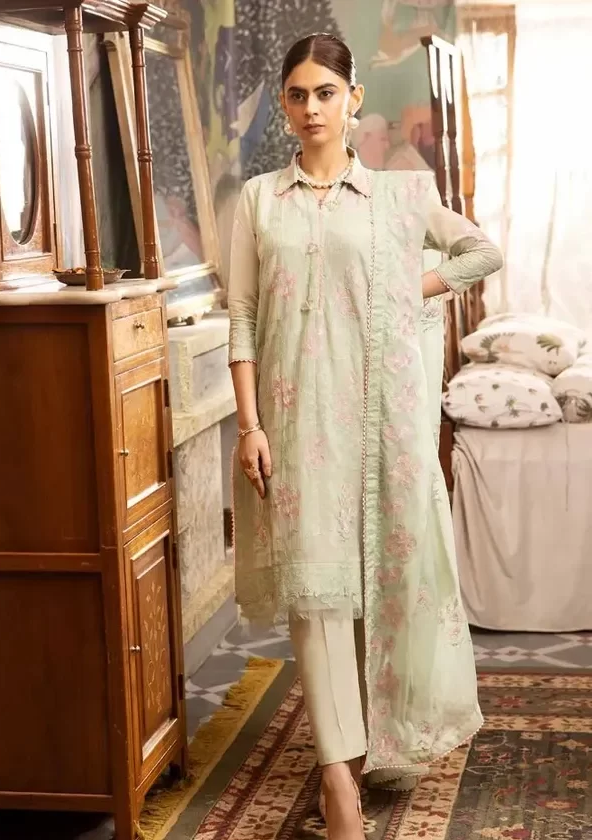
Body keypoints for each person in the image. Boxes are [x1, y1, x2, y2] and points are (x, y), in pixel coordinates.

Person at [227, 32, 503, 840]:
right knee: (315, 595)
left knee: (366, 592)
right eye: (296, 95)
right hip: (292, 423)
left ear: (353, 100)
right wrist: (248, 425)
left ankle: (365, 747)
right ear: (285, 106)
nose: (310, 108)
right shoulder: (258, 200)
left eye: (325, 93)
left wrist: (410, 285)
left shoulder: (396, 198)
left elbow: (480, 252)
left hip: (381, 423)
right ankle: (336, 783)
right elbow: (242, 317)